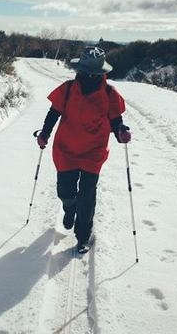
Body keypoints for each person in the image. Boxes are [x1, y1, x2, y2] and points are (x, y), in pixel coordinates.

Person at [36, 46, 131, 253]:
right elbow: (53, 113)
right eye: (85, 71)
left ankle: (83, 236)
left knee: (87, 196)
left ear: (101, 73)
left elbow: (116, 119)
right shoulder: (68, 88)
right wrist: (44, 133)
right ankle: (69, 209)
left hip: (94, 152)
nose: (88, 76)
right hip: (66, 149)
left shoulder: (109, 93)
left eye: (93, 73)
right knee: (65, 192)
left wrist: (120, 131)